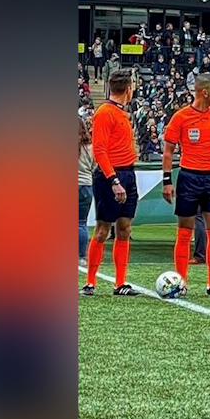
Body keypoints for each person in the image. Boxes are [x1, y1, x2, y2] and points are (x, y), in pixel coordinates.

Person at [161, 74, 210, 297]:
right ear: (204, 92)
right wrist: (167, 181)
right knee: (185, 231)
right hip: (188, 177)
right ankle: (180, 282)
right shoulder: (181, 117)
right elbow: (168, 151)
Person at [83, 71, 141, 296]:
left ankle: (120, 283)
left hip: (128, 172)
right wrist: (114, 180)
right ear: (129, 89)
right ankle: (90, 283)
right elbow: (99, 150)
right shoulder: (105, 113)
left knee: (124, 228)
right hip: (111, 176)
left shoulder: (120, 113)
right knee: (102, 229)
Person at [78, 117, 94, 263]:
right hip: (86, 186)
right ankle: (81, 256)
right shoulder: (90, 148)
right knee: (81, 223)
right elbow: (95, 167)